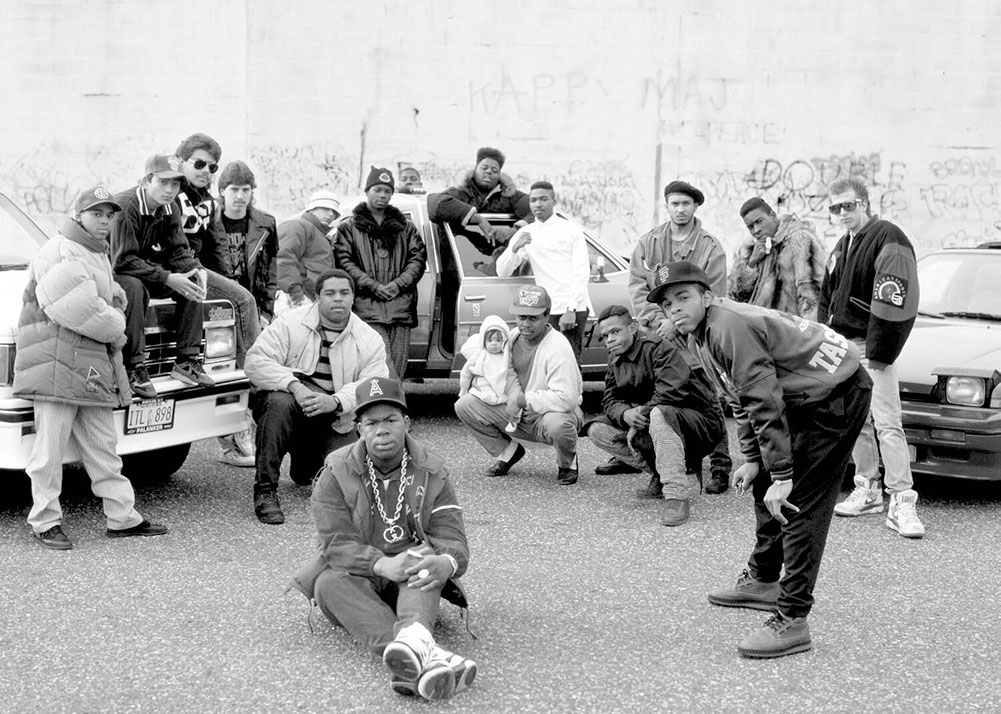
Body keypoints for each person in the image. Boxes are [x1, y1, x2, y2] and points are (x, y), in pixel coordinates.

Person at [652, 260, 872, 658]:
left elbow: (762, 398)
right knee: (763, 481)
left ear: (706, 296)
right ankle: (764, 578)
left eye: (682, 298)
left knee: (798, 502)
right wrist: (755, 459)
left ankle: (793, 618)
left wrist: (784, 474)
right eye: (667, 304)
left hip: (837, 392)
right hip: (804, 393)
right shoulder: (700, 332)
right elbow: (737, 394)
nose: (674, 309)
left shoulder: (727, 325)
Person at [290, 376, 476, 701]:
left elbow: (451, 536)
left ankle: (411, 655)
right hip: (361, 576)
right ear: (358, 427)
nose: (381, 430)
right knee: (327, 584)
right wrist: (380, 564)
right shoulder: (334, 471)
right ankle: (420, 654)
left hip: (410, 577)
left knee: (425, 565)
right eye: (371, 422)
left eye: (390, 420)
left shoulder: (433, 470)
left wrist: (446, 563)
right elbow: (334, 545)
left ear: (406, 422)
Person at [14, 186, 168, 550]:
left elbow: (103, 295)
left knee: (103, 447)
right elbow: (77, 308)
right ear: (78, 214)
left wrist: (113, 298)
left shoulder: (93, 252)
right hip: (57, 362)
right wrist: (118, 326)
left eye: (109, 215)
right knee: (49, 452)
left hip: (85, 363)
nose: (105, 221)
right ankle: (44, 522)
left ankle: (122, 517)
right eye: (96, 213)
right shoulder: (60, 250)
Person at [819, 176, 925, 538]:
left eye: (849, 205)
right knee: (857, 422)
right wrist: (826, 341)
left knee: (887, 423)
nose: (842, 213)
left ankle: (902, 498)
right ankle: (867, 487)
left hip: (869, 347)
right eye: (835, 208)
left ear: (864, 203)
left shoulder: (887, 237)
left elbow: (896, 297)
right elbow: (826, 298)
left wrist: (881, 352)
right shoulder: (841, 246)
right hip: (844, 348)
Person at [243, 269, 389, 525]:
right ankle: (265, 490)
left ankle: (305, 463)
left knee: (348, 484)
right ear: (317, 297)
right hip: (291, 405)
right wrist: (295, 386)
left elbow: (374, 384)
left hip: (334, 415)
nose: (337, 299)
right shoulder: (290, 323)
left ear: (353, 297)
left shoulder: (369, 338)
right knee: (278, 402)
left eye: (344, 293)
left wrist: (335, 401)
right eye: (330, 293)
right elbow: (255, 361)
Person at [628, 180, 733, 494]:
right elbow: (637, 287)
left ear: (695, 207)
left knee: (709, 401)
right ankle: (663, 469)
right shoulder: (649, 243)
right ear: (667, 205)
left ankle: (720, 467)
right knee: (664, 402)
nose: (680, 209)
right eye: (675, 203)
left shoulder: (710, 247)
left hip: (695, 338)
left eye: (686, 204)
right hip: (660, 338)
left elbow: (715, 293)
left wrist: (680, 323)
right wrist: (661, 320)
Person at [582, 305, 723, 526]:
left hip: (698, 424)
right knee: (596, 429)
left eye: (616, 332)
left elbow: (672, 391)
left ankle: (676, 495)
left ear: (634, 326)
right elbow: (609, 399)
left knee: (659, 414)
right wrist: (625, 413)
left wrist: (640, 415)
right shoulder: (614, 357)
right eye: (605, 335)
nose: (610, 339)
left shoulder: (657, 348)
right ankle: (660, 472)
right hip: (656, 421)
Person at [454, 286, 583, 485]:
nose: (525, 324)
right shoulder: (511, 336)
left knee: (558, 425)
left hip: (548, 414)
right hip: (516, 411)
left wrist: (523, 400)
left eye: (533, 318)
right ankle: (508, 452)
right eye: (521, 317)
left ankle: (567, 462)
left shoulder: (558, 347)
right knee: (464, 405)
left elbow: (567, 398)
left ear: (547, 316)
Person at [110, 154, 213, 398]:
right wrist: (167, 278)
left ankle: (187, 361)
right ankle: (134, 366)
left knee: (190, 281)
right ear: (146, 181)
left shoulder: (171, 207)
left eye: (175, 184)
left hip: (143, 269)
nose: (169, 190)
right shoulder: (126, 207)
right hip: (112, 273)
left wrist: (196, 269)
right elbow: (122, 260)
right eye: (163, 182)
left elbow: (178, 250)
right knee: (134, 287)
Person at [208, 160, 279, 468]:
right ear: (221, 191)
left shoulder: (266, 223)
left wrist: (266, 310)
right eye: (233, 189)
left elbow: (270, 271)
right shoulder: (209, 222)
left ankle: (245, 433)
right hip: (218, 310)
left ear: (253, 192)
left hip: (252, 310)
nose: (239, 195)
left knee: (252, 369)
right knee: (224, 374)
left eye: (245, 189)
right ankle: (230, 441)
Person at [334, 167, 427, 380]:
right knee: (378, 362)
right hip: (366, 307)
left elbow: (418, 259)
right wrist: (373, 286)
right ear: (367, 191)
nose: (382, 195)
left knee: (398, 364)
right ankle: (390, 407)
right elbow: (344, 262)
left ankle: (391, 408)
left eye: (387, 191)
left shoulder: (407, 228)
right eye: (377, 189)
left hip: (400, 306)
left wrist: (397, 285)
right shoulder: (348, 228)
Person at [496, 181, 594, 363]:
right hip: (542, 309)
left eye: (543, 199)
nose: (538, 204)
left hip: (571, 307)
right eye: (533, 200)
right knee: (543, 362)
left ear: (553, 201)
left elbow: (581, 272)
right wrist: (514, 249)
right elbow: (502, 271)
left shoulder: (571, 230)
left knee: (569, 362)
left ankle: (574, 393)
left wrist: (571, 308)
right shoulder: (526, 232)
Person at [729, 197, 827, 320]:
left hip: (788, 331)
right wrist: (751, 264)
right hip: (759, 329)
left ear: (773, 216)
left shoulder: (800, 241)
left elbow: (812, 296)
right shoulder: (751, 249)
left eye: (759, 221)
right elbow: (737, 298)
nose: (756, 230)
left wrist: (808, 333)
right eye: (750, 227)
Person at [427, 147, 531, 247]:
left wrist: (514, 230)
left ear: (500, 175)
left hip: (502, 258)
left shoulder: (510, 196)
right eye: (484, 168)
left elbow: (538, 212)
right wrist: (478, 219)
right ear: (475, 170)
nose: (489, 171)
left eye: (494, 170)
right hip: (459, 257)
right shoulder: (460, 193)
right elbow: (434, 203)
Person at [276, 190, 340, 313]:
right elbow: (283, 259)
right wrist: (296, 295)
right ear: (313, 207)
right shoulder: (297, 225)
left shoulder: (321, 236)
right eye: (327, 208)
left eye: (335, 212)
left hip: (310, 299)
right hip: (294, 297)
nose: (331, 214)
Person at [175, 132, 226, 268]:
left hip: (197, 268)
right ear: (180, 161)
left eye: (212, 167)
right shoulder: (168, 195)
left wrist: (229, 278)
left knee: (237, 289)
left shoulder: (210, 203)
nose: (206, 170)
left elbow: (215, 249)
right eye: (199, 164)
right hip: (171, 270)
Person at [458, 314, 518, 406]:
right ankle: (489, 394)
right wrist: (464, 389)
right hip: (485, 383)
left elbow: (513, 373)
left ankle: (502, 397)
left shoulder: (507, 356)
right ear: (483, 341)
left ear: (505, 341)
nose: (494, 344)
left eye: (498, 340)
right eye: (490, 340)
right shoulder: (479, 355)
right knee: (483, 383)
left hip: (503, 384)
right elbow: (466, 372)